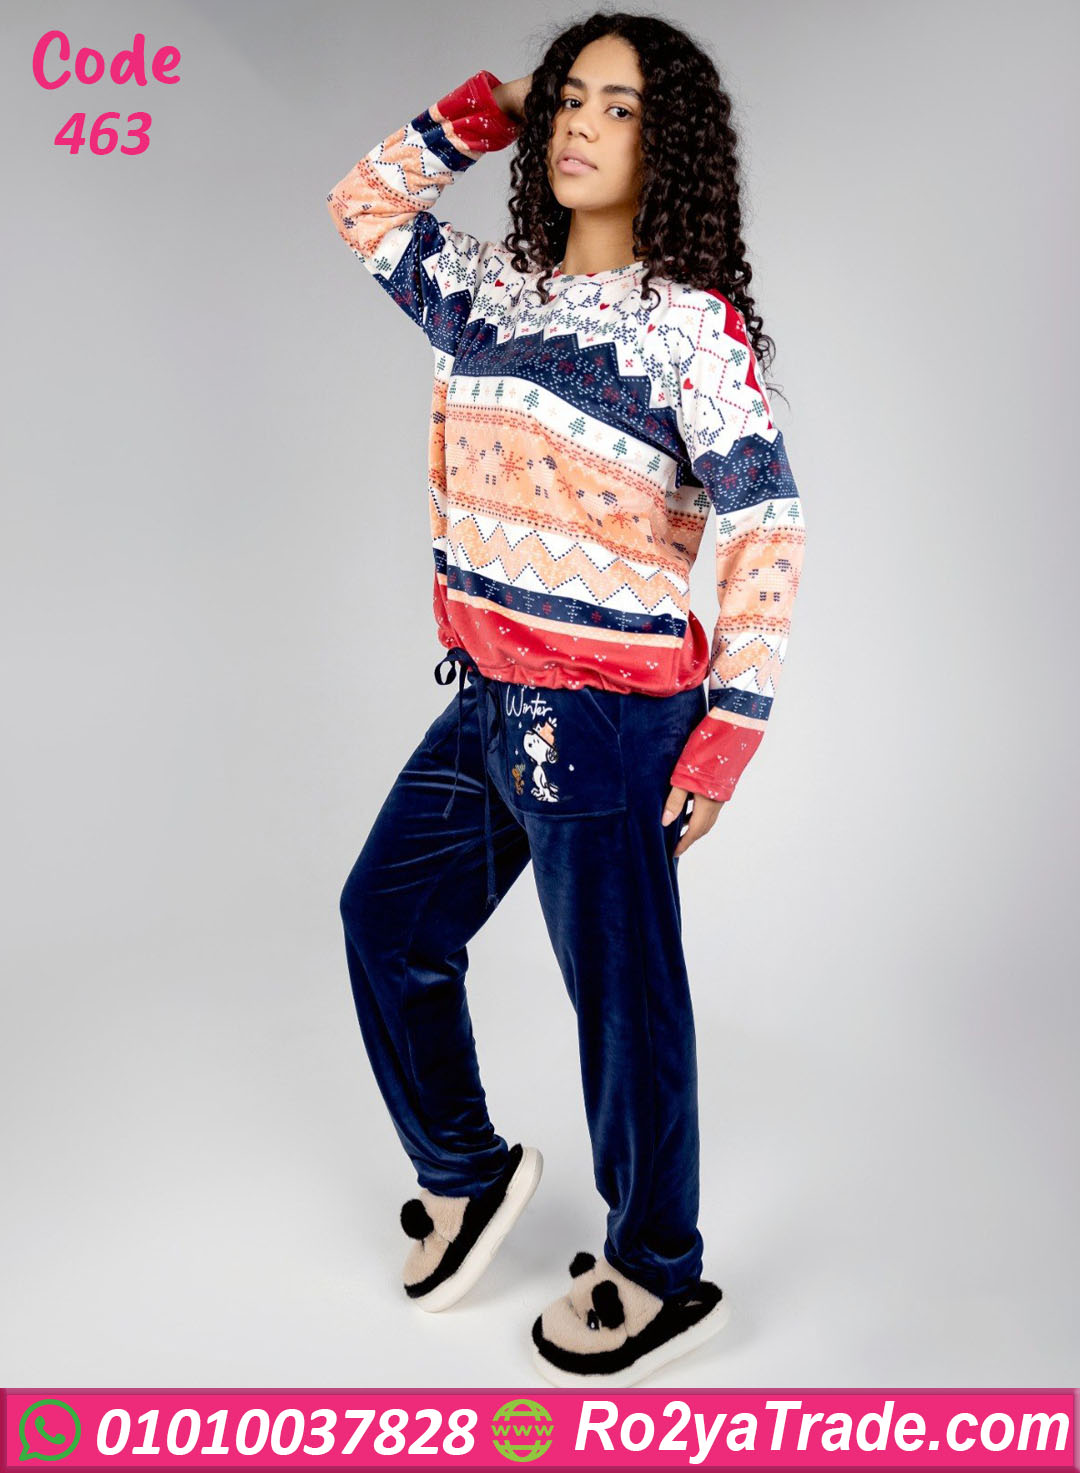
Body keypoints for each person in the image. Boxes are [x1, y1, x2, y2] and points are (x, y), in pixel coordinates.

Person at [327, 10, 806, 1387]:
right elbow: (364, 202)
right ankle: (466, 1172)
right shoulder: (490, 291)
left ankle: (657, 1266)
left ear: (672, 146)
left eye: (620, 106)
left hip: (608, 721)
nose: (584, 125)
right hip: (487, 699)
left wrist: (728, 732)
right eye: (573, 100)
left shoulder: (690, 329)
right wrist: (496, 98)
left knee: (622, 1003)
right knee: (386, 922)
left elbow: (767, 522)